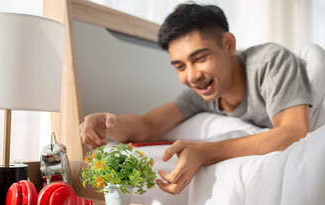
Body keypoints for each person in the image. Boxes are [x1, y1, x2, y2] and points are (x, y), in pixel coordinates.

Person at [79, 3, 311, 195]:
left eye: (200, 58)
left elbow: (294, 132)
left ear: (229, 44)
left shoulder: (271, 63)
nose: (192, 76)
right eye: (180, 66)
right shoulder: (202, 93)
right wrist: (109, 125)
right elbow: (148, 125)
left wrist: (206, 152)